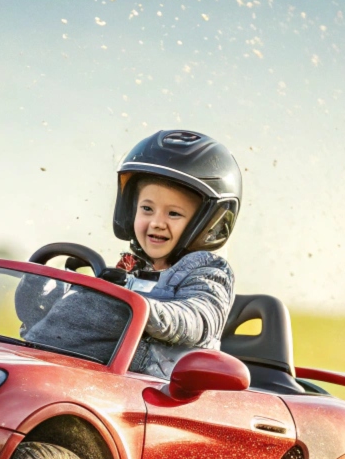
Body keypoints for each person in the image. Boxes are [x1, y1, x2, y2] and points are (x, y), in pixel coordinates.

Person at [17, 129, 241, 378]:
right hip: (91, 375)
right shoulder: (130, 267)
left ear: (209, 223)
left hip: (162, 392)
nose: (156, 222)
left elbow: (199, 317)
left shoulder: (208, 270)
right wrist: (48, 290)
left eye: (173, 213)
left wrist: (140, 309)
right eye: (147, 208)